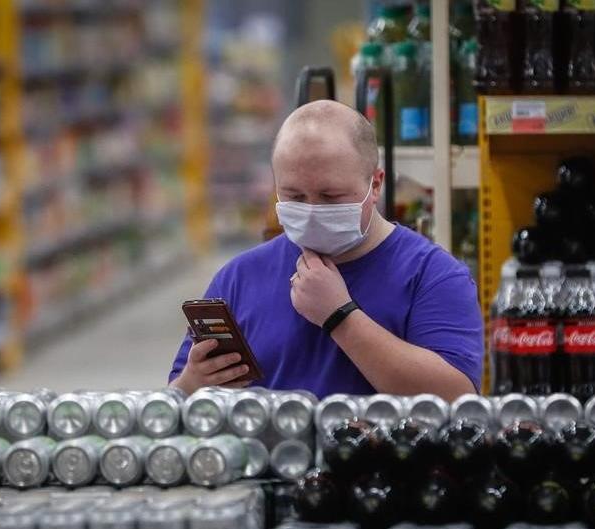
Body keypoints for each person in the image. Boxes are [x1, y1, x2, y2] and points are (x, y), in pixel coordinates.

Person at [168, 100, 482, 399]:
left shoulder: (433, 276)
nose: (312, 209)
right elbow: (176, 402)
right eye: (294, 196)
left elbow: (456, 400)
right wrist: (191, 386)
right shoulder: (238, 278)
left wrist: (340, 317)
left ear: (375, 184)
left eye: (330, 196)